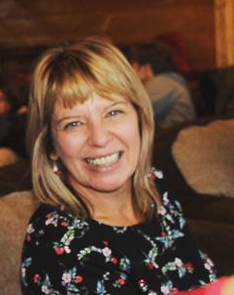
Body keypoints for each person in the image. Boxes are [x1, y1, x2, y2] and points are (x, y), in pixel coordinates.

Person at [21, 37, 218, 295]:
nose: (100, 138)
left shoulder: (154, 187)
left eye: (113, 112)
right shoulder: (57, 245)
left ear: (140, 117)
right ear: (51, 146)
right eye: (74, 123)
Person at [130, 42, 196, 129]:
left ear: (145, 68)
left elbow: (134, 115)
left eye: (133, 66)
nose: (130, 71)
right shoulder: (170, 81)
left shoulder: (160, 84)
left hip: (174, 138)